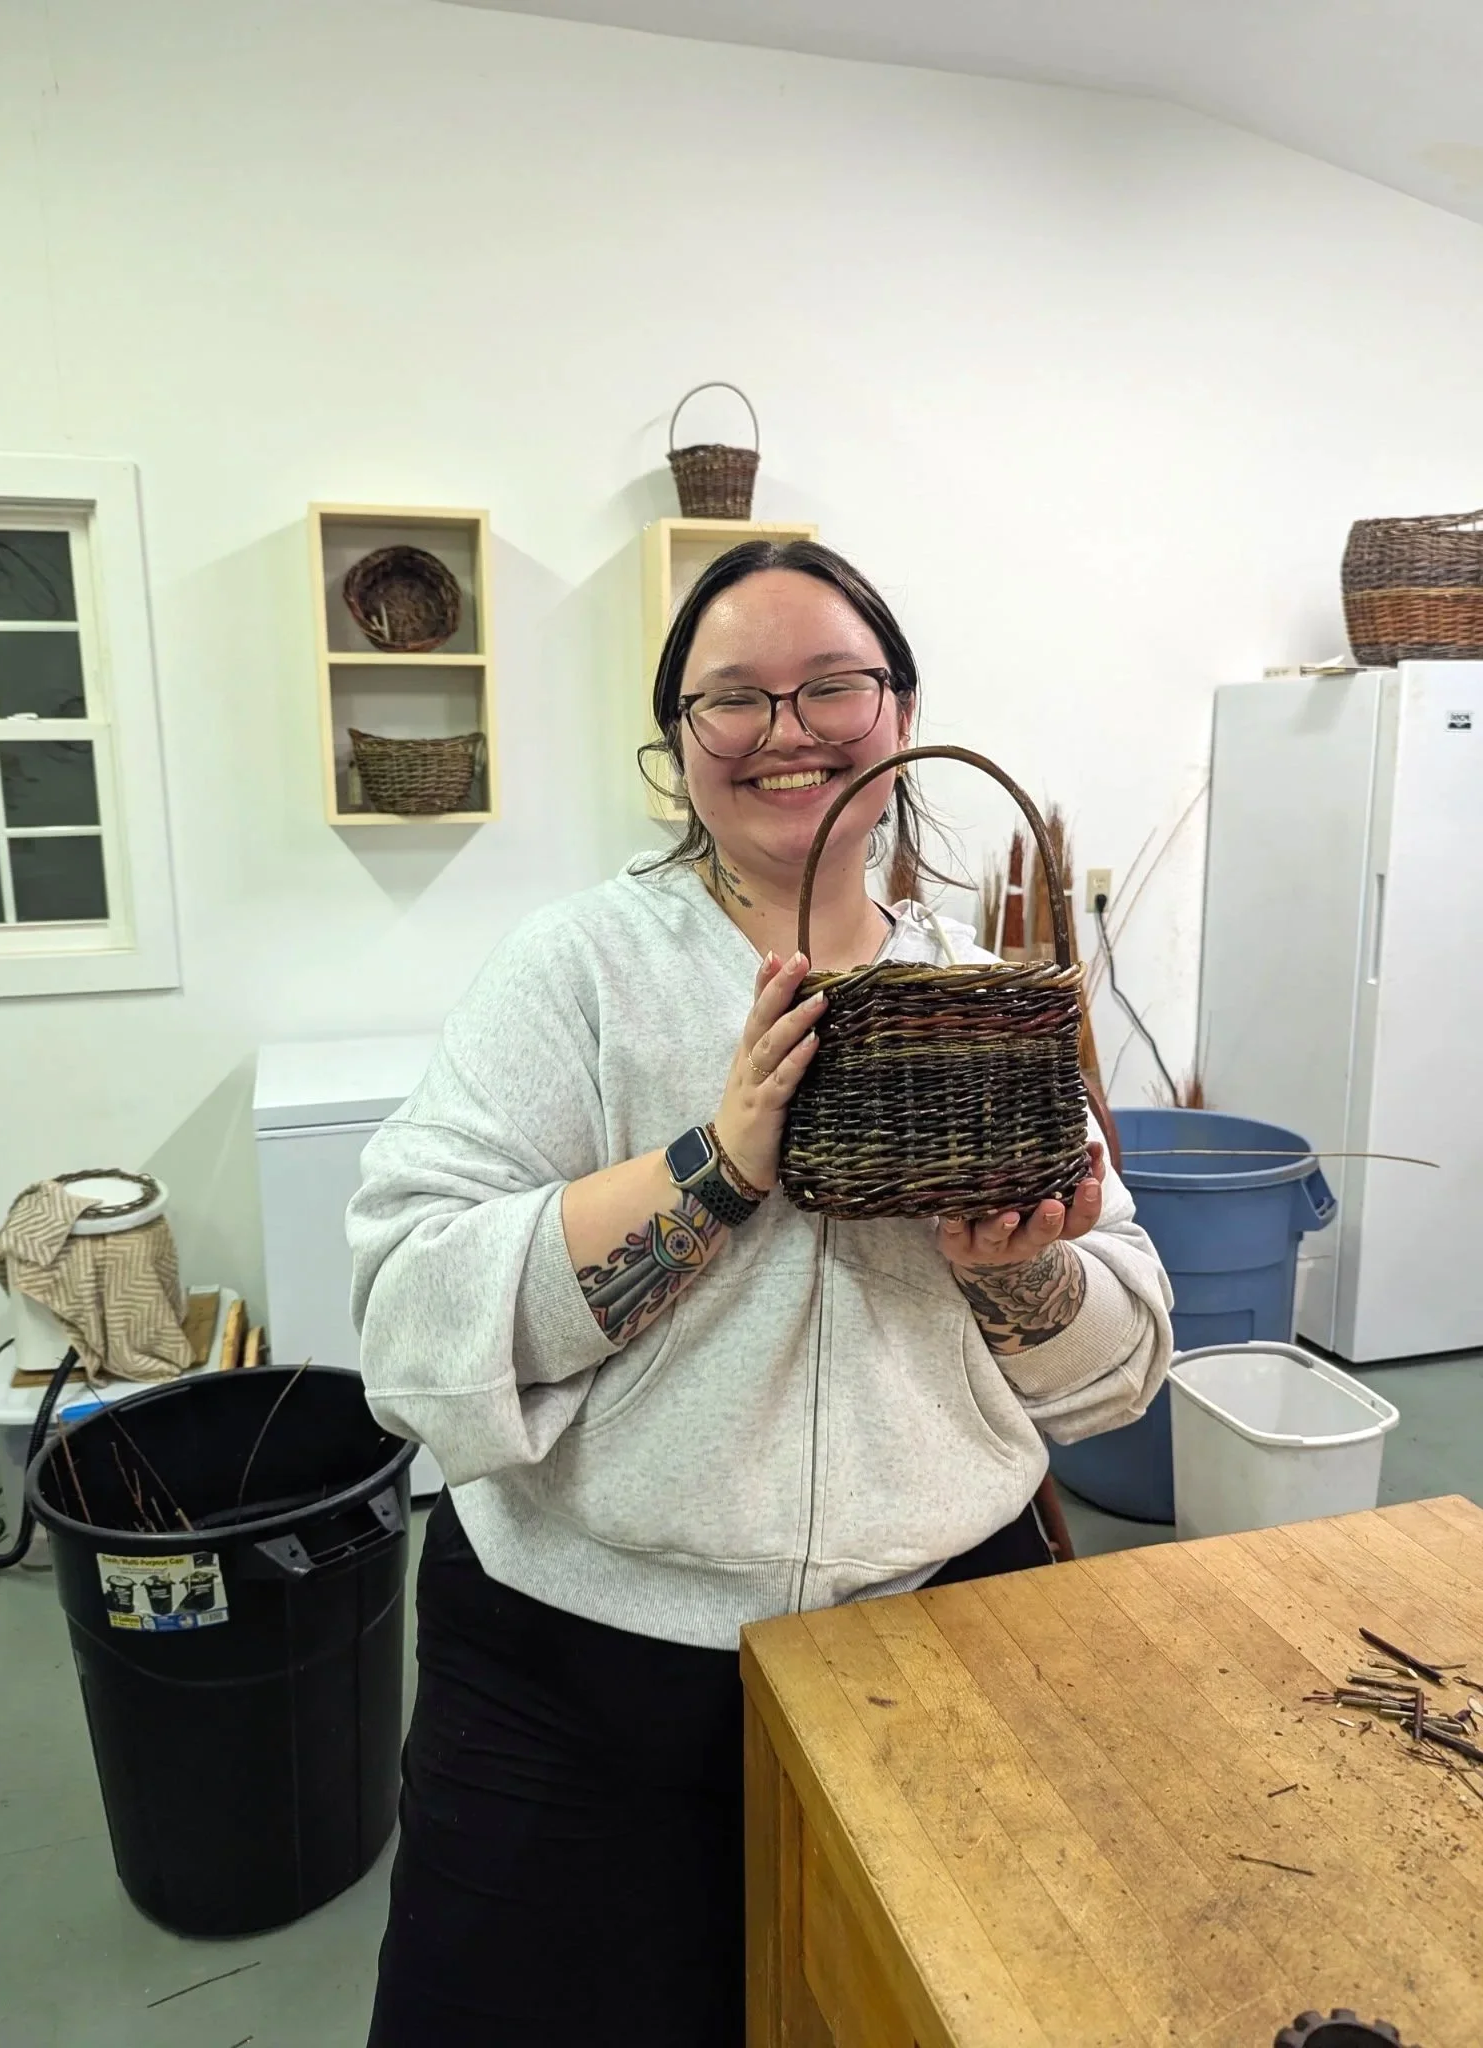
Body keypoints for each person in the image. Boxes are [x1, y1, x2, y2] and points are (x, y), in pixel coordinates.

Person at [348, 539, 1173, 2048]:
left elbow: (1121, 1367)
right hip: (583, 1655)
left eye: (831, 686)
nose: (786, 731)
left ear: (903, 708)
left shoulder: (982, 1005)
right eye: (733, 699)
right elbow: (409, 1316)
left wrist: (1024, 1278)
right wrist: (713, 1170)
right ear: (678, 744)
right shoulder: (578, 972)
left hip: (935, 1637)